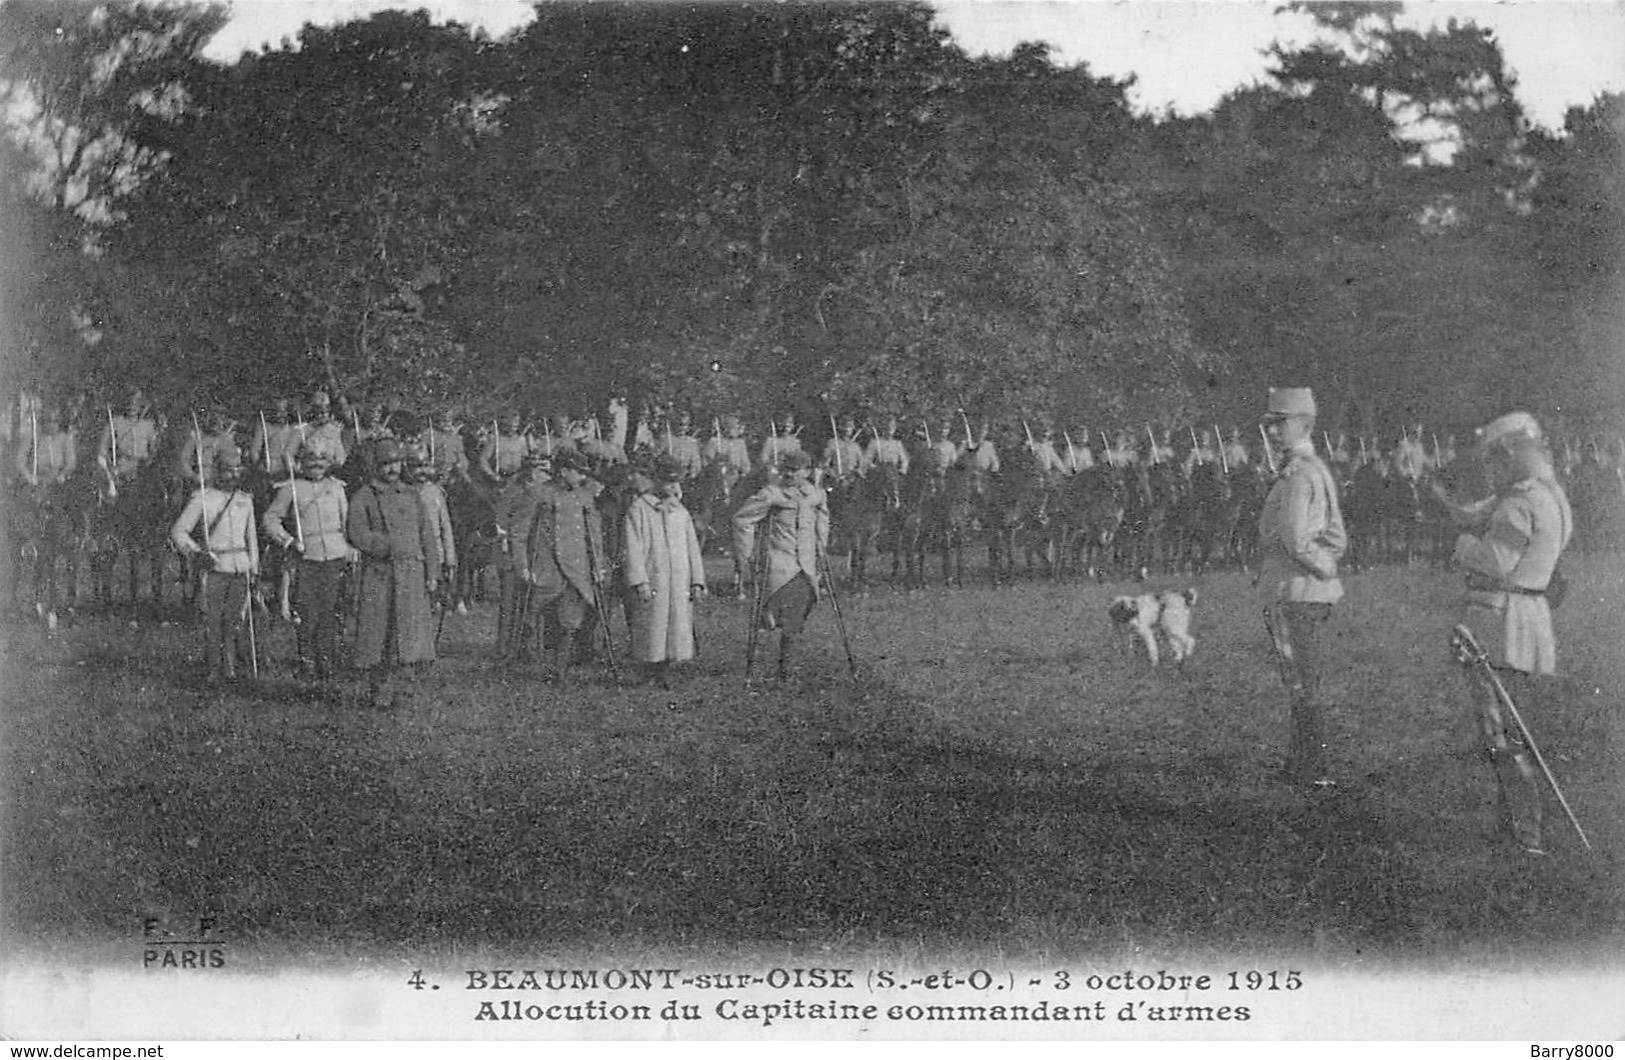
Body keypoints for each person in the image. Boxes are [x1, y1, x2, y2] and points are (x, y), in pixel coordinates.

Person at [1445, 412, 1573, 855]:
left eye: (1494, 461)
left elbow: (1494, 562)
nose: (1490, 471)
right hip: (1532, 617)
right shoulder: (1552, 496)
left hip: (1501, 622)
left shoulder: (1518, 503)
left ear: (1509, 455)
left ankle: (1525, 835)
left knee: (1501, 733)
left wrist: (1462, 545)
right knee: (1518, 729)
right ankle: (1516, 824)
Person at [1256, 387, 1347, 787]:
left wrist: (1322, 566)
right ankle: (1301, 764)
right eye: (1271, 425)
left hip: (1299, 590)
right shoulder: (1303, 470)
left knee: (1305, 681)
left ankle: (1314, 768)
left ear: (1306, 425)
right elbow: (1336, 536)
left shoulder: (1301, 473)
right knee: (1299, 679)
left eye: (1281, 424)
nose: (1273, 432)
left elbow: (1296, 539)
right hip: (1296, 588)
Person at [347, 439, 441, 708]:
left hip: (412, 574)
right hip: (380, 575)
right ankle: (379, 689)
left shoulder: (412, 495)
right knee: (379, 634)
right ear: (375, 466)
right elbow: (358, 533)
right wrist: (387, 546)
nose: (392, 469)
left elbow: (428, 537)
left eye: (397, 463)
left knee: (409, 634)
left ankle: (405, 690)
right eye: (386, 464)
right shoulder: (364, 496)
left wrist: (432, 572)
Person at [508, 446, 607, 681]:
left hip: (577, 567)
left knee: (570, 620)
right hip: (545, 565)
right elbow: (518, 533)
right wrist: (522, 566)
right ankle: (517, 659)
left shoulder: (585, 497)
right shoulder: (537, 494)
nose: (582, 477)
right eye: (578, 471)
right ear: (563, 471)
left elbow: (594, 536)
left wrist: (597, 566)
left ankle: (559, 670)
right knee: (531, 615)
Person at [732, 449, 829, 681]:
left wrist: (821, 546)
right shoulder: (771, 494)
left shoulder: (815, 495)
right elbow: (741, 519)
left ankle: (785, 669)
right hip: (779, 564)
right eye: (785, 469)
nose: (789, 474)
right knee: (779, 616)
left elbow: (823, 519)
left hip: (805, 566)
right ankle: (780, 668)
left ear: (806, 472)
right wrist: (746, 554)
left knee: (796, 618)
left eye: (795, 470)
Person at [263, 439, 354, 681]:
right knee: (307, 613)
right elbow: (270, 520)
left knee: (331, 610)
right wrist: (288, 541)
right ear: (301, 462)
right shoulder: (291, 489)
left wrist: (349, 548)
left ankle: (327, 659)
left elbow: (346, 523)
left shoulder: (337, 488)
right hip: (307, 556)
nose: (316, 465)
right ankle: (308, 660)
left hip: (334, 555)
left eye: (321, 460)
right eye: (310, 460)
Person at [170, 446, 261, 684]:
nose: (232, 476)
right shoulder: (202, 498)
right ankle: (213, 668)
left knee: (234, 619)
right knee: (213, 619)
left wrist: (254, 568)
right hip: (214, 566)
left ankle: (230, 667)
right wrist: (198, 553)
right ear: (217, 471)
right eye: (227, 471)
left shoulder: (245, 501)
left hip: (240, 566)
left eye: (236, 470)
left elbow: (252, 539)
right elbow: (179, 532)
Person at [622, 454, 707, 687]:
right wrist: (639, 580)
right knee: (653, 624)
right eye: (668, 482)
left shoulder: (680, 512)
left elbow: (692, 548)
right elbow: (633, 547)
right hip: (654, 576)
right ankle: (649, 669)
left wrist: (697, 580)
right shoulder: (639, 509)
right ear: (656, 480)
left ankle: (666, 668)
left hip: (679, 578)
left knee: (677, 622)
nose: (673, 487)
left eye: (676, 482)